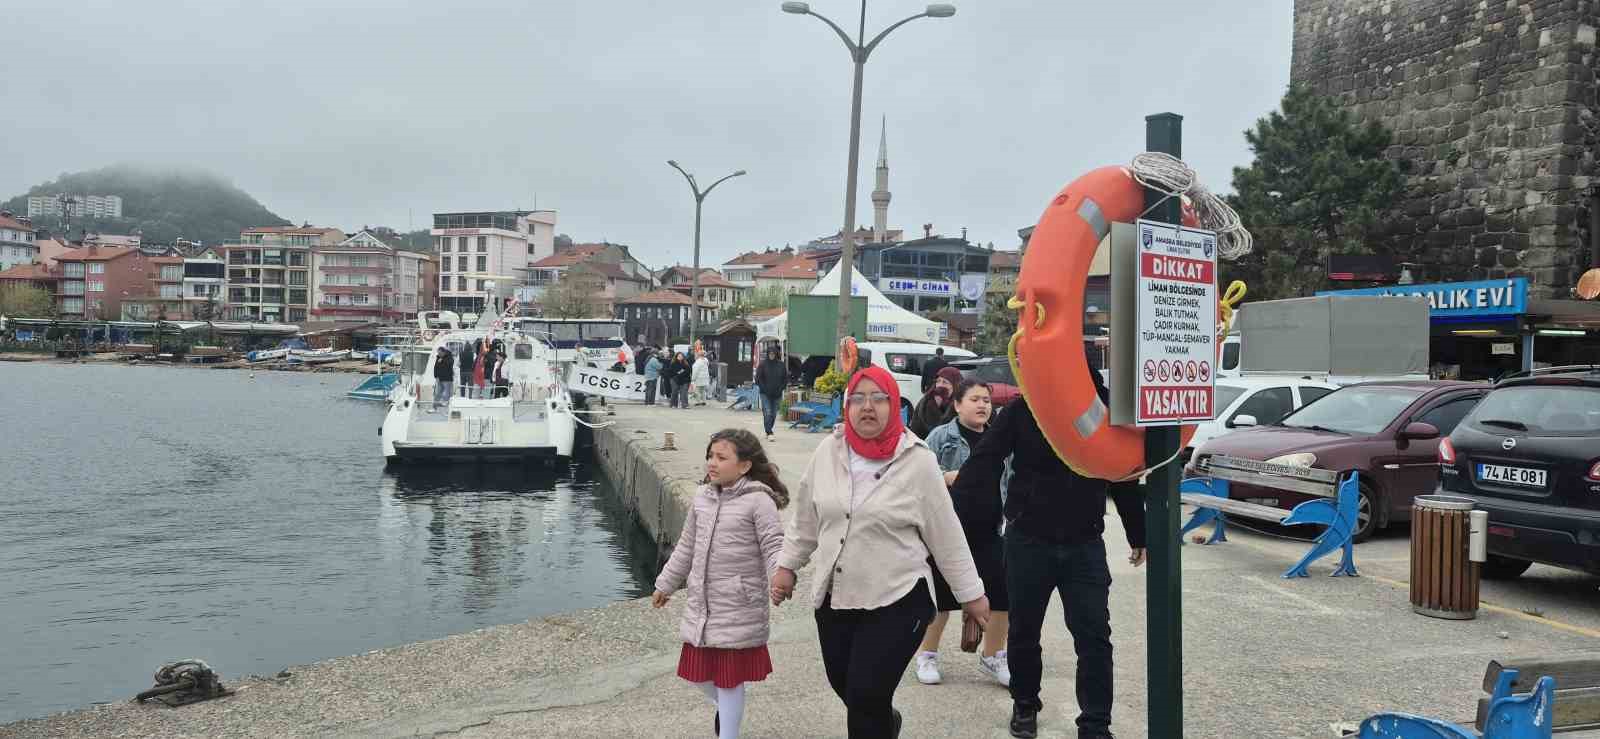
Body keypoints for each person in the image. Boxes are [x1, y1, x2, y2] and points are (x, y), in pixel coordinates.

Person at [771, 365, 990, 738]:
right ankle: (888, 724)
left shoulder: (916, 460)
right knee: (850, 689)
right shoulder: (828, 451)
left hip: (898, 596)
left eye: (878, 398)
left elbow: (946, 533)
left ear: (894, 406)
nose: (867, 407)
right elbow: (806, 519)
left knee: (866, 696)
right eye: (858, 398)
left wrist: (972, 594)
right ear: (847, 405)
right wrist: (787, 566)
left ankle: (878, 722)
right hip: (836, 596)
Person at [951, 365, 1145, 739]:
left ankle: (1096, 723)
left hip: (1084, 542)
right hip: (1028, 539)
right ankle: (1025, 706)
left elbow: (1121, 473)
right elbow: (987, 460)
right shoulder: (1028, 409)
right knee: (1024, 631)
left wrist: (1139, 532)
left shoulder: (1103, 409)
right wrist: (953, 514)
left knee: (1093, 638)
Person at [653, 429, 788, 739]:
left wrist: (779, 578)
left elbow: (773, 544)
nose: (712, 463)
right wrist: (666, 584)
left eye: (721, 457)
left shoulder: (758, 501)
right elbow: (686, 546)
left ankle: (728, 731)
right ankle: (729, 708)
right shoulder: (703, 497)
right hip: (703, 606)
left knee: (729, 681)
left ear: (744, 466)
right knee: (698, 676)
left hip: (738, 606)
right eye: (710, 456)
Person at [913, 380, 1009, 687]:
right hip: (947, 533)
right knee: (942, 598)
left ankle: (993, 656)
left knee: (1001, 596)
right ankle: (927, 655)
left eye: (986, 400)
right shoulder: (941, 436)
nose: (982, 405)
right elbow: (917, 476)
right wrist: (946, 477)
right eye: (975, 399)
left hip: (991, 530)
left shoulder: (998, 438)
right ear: (957, 405)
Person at [909, 366, 963, 438]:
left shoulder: (961, 403)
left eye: (945, 382)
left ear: (955, 385)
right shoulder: (928, 401)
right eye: (938, 381)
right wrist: (936, 406)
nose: (940, 385)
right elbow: (936, 430)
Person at [753, 347, 788, 442]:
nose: (771, 355)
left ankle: (768, 429)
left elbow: (785, 379)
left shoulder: (781, 365)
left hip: (777, 394)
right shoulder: (763, 364)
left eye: (773, 354)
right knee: (767, 412)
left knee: (773, 414)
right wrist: (764, 388)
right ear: (768, 354)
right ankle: (769, 432)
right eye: (770, 353)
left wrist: (781, 388)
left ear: (776, 354)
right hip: (765, 394)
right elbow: (758, 379)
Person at [431, 347, 454, 411]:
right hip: (440, 378)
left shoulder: (449, 357)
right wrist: (435, 375)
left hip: (447, 378)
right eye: (438, 353)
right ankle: (434, 406)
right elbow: (435, 367)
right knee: (438, 392)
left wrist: (442, 360)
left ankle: (449, 408)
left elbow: (450, 363)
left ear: (444, 352)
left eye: (440, 353)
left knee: (448, 393)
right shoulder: (438, 357)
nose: (439, 354)